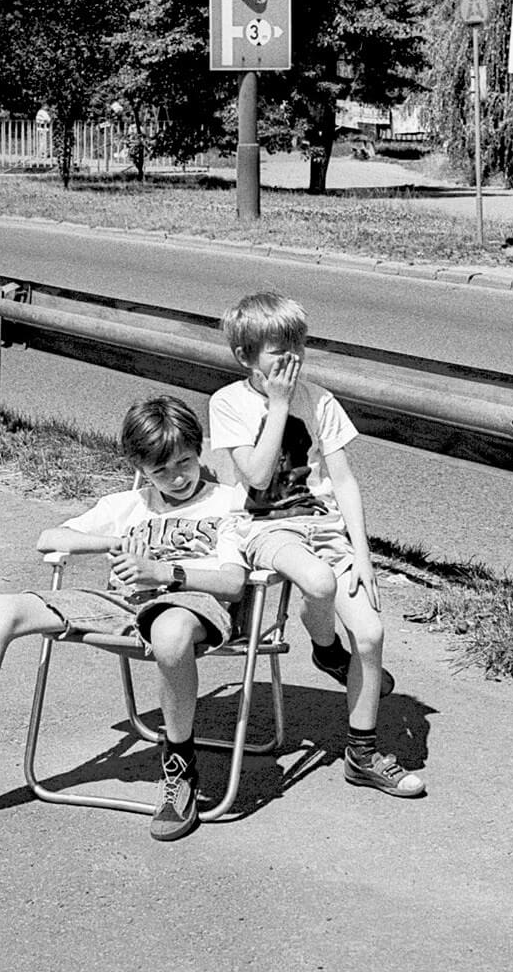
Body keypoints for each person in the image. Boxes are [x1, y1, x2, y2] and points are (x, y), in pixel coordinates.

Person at [0, 396, 248, 842]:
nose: (176, 477)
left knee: (170, 632)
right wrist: (114, 542)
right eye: (160, 471)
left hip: (190, 603)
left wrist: (163, 571)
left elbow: (232, 584)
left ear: (199, 450)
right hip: (123, 606)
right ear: (141, 467)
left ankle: (180, 768)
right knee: (1, 609)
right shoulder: (129, 504)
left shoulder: (225, 503)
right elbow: (48, 539)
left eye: (185, 462)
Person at [209, 291, 425, 799]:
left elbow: (345, 482)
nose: (292, 360)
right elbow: (258, 477)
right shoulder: (229, 403)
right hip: (265, 527)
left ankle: (363, 752)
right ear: (246, 357)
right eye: (277, 351)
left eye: (298, 348)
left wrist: (365, 556)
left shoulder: (320, 399)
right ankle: (325, 644)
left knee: (370, 635)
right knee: (318, 580)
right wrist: (279, 405)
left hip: (323, 527)